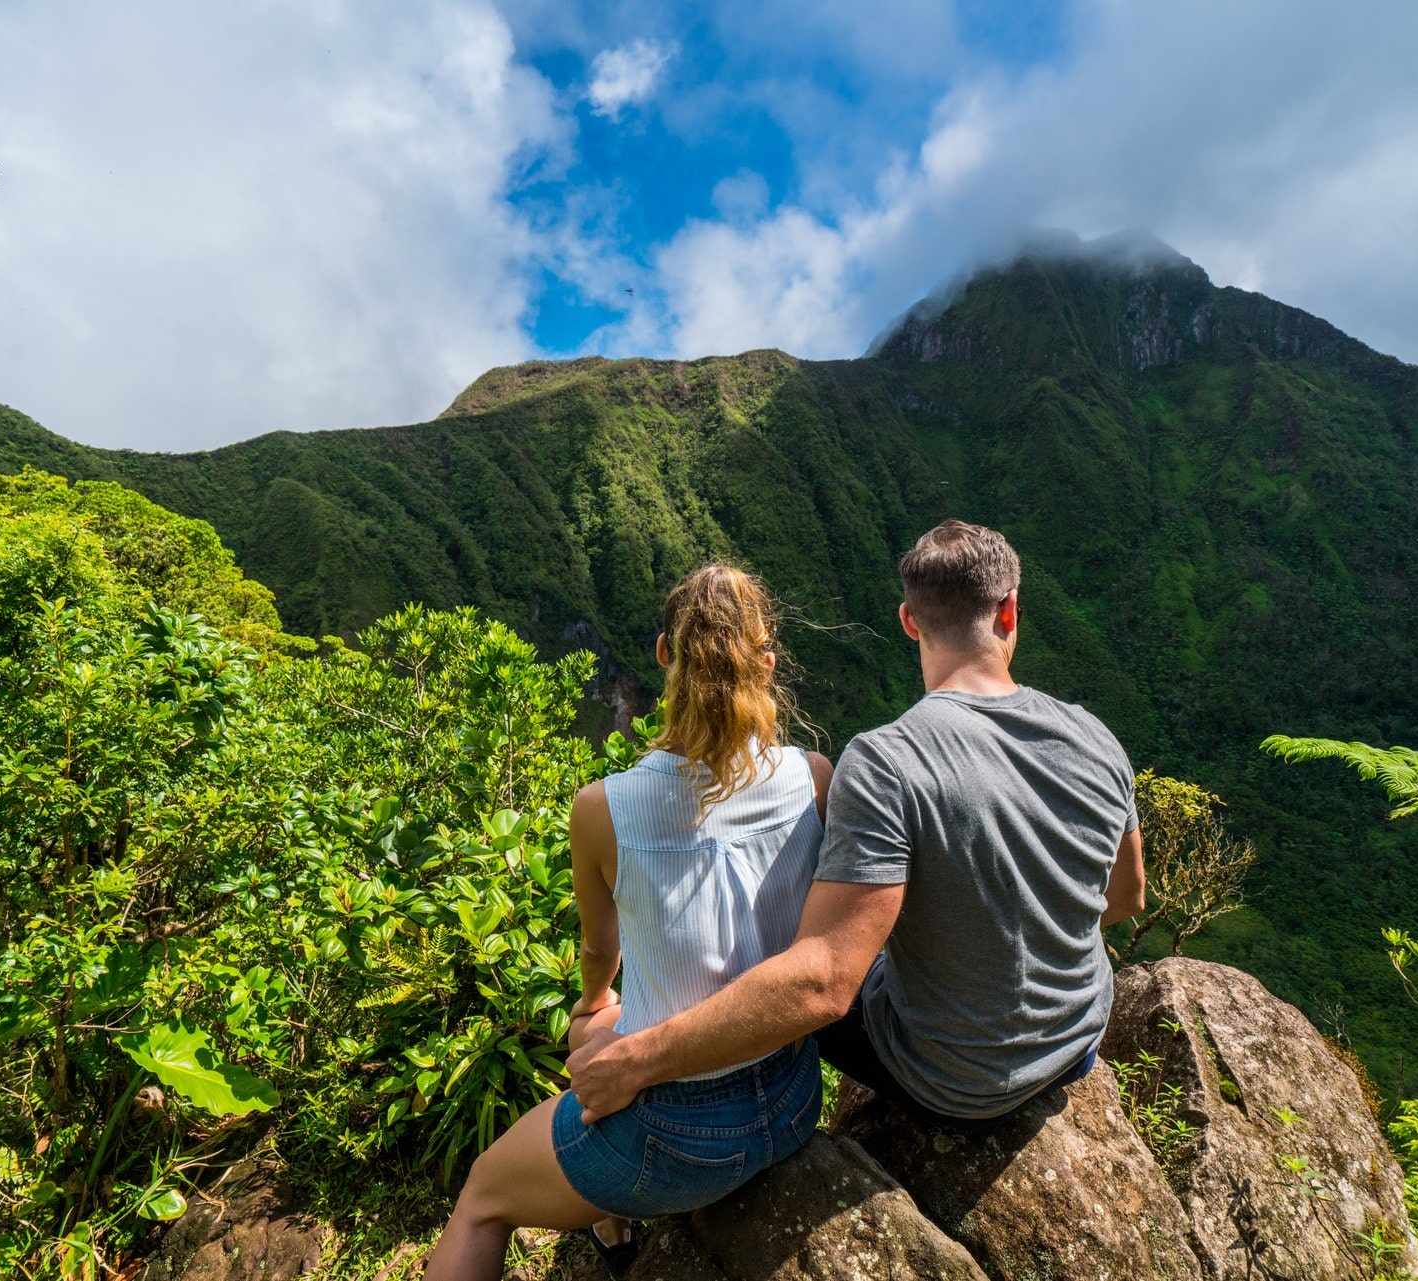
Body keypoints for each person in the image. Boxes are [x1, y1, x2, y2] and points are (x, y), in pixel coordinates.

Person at [569, 519, 1146, 1133]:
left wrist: (637, 1059)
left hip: (951, 1083)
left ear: (908, 620)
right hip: (1078, 1042)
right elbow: (1124, 897)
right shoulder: (1095, 735)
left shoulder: (887, 760)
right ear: (1009, 612)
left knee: (809, 970)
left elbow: (822, 985)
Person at [424, 565, 833, 1281]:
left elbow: (599, 950)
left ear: (663, 657)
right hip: (794, 1097)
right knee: (597, 1041)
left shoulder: (603, 808)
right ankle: (614, 1229)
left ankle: (613, 1215)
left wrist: (592, 1003)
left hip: (678, 1139)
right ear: (766, 664)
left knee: (484, 1194)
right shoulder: (815, 776)